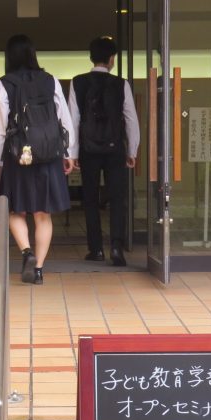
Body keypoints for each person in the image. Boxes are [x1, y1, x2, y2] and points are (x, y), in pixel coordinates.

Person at [0, 35, 77, 285]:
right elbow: (64, 118)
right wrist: (68, 152)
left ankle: (27, 252)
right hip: (48, 155)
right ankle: (38, 270)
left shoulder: (4, 84)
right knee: (42, 214)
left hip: (18, 156)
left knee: (15, 210)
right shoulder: (50, 81)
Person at [67, 36, 140, 267]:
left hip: (88, 149)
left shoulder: (78, 82)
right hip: (115, 148)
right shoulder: (121, 84)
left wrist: (72, 153)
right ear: (111, 59)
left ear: (91, 57)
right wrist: (132, 150)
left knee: (90, 199)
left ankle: (96, 249)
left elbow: (73, 120)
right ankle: (116, 247)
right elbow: (131, 119)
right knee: (117, 198)